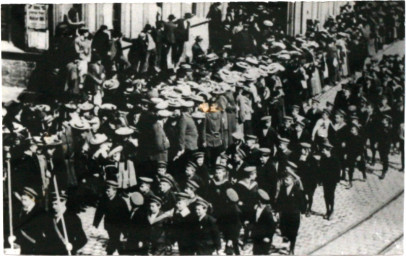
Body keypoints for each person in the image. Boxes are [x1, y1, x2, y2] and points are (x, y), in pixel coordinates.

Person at [42, 191, 87, 255]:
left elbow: (83, 239)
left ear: (64, 202)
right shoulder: (50, 217)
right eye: (53, 204)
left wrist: (72, 246)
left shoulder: (73, 218)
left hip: (65, 253)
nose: (53, 207)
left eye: (56, 204)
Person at [92, 180, 130, 254]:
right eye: (106, 190)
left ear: (115, 191)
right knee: (114, 239)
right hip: (108, 225)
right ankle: (119, 249)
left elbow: (126, 217)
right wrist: (95, 225)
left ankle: (111, 251)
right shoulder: (103, 199)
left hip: (118, 225)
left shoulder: (121, 202)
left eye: (109, 191)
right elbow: (99, 213)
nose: (107, 192)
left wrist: (126, 232)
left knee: (114, 239)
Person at [276, 173, 305, 255]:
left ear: (292, 180)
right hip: (285, 215)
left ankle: (292, 249)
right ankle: (286, 239)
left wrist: (302, 213)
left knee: (293, 232)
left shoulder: (297, 190)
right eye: (284, 180)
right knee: (284, 230)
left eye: (287, 180)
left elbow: (302, 202)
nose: (285, 181)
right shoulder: (283, 189)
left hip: (294, 215)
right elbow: (279, 201)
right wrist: (278, 211)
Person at [14, 187, 46, 255]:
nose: (22, 198)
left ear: (33, 199)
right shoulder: (21, 212)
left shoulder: (40, 213)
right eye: (22, 198)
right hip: (23, 248)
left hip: (36, 249)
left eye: (25, 199)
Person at [319, 141, 341, 220]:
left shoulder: (335, 159)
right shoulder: (323, 158)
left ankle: (331, 210)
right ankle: (327, 210)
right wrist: (320, 179)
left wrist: (336, 180)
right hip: (325, 180)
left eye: (323, 150)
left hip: (332, 181)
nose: (322, 151)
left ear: (328, 150)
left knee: (330, 196)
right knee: (326, 195)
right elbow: (321, 169)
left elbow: (338, 171)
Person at [252, 189, 276, 255]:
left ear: (259, 200)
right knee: (256, 252)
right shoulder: (256, 208)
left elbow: (272, 226)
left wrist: (268, 237)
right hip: (257, 235)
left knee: (264, 253)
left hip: (264, 237)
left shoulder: (267, 212)